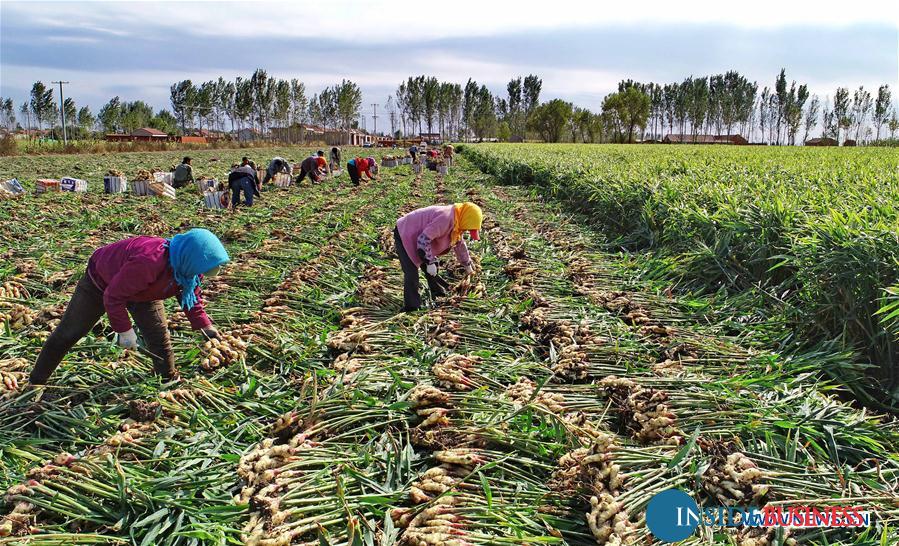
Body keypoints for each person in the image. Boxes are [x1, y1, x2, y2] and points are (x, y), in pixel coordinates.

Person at [29, 229, 229, 385]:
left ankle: (167, 381)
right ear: (190, 256)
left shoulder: (189, 268)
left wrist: (205, 326)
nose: (203, 274)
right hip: (101, 284)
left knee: (158, 337)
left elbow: (190, 295)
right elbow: (113, 296)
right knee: (69, 333)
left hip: (145, 291)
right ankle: (36, 383)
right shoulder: (149, 261)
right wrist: (125, 331)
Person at [394, 202, 483, 312]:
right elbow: (423, 240)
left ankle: (438, 293)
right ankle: (411, 307)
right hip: (406, 232)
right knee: (411, 272)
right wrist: (429, 262)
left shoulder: (457, 221)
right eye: (468, 228)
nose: (466, 231)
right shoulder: (445, 219)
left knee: (431, 266)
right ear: (466, 218)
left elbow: (459, 244)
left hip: (420, 236)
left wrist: (467, 264)